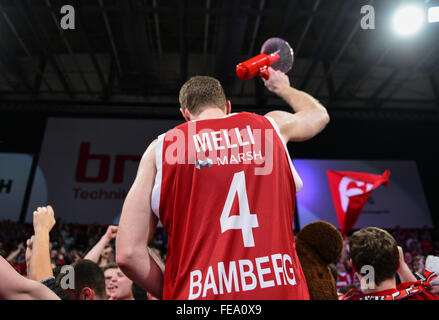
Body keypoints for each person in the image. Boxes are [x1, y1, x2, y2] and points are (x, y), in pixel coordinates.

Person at [116, 68, 330, 300]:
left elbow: (128, 253)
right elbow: (318, 115)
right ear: (227, 107)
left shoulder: (161, 149)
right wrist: (282, 87)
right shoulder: (271, 127)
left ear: (185, 115)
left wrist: (177, 292)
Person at [342, 227, 439, 300]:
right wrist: (402, 266)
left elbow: (369, 284)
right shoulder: (424, 297)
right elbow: (416, 292)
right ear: (398, 264)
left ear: (353, 266)